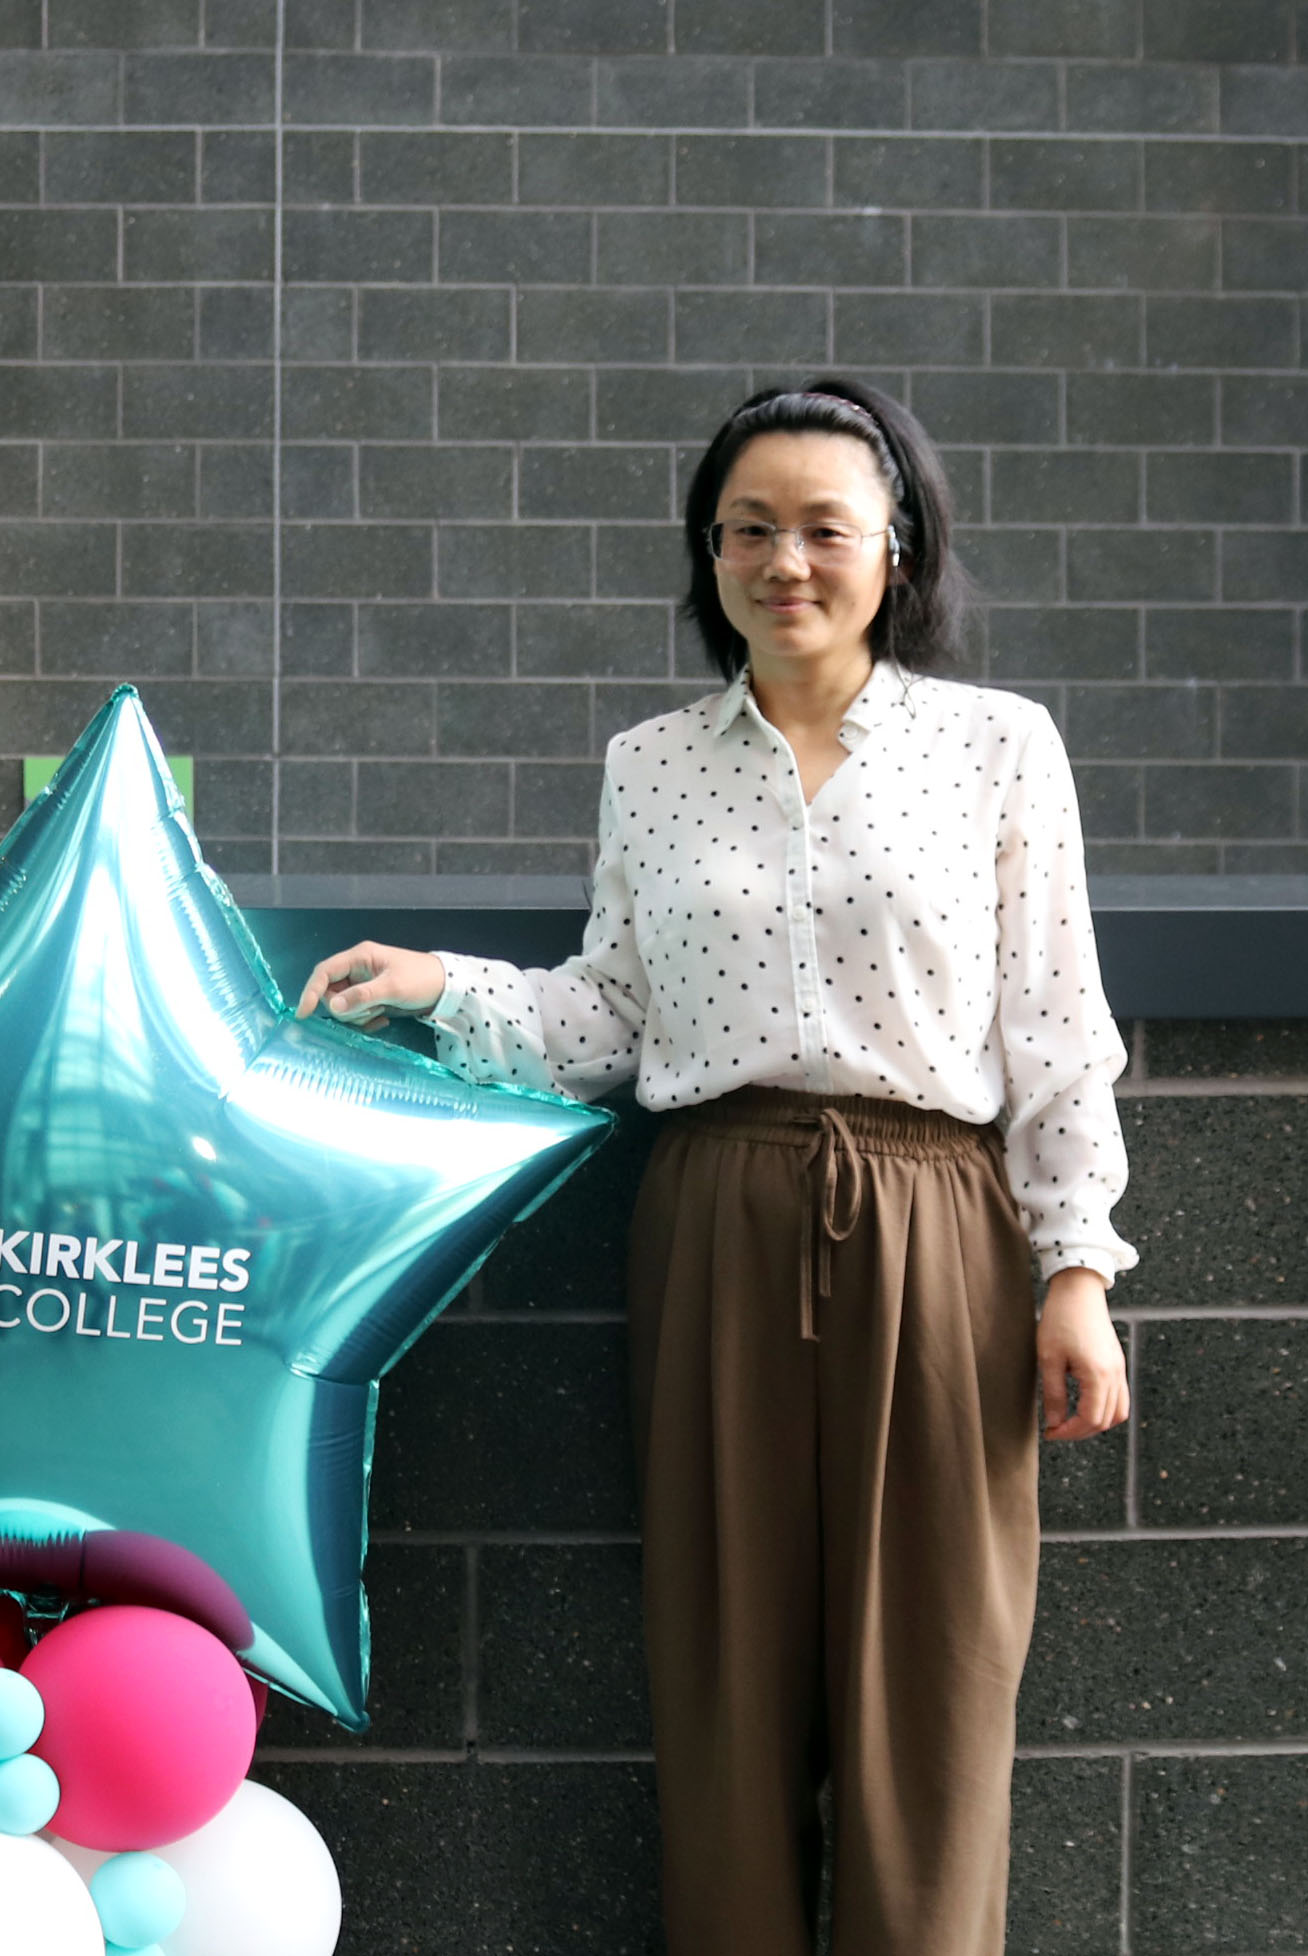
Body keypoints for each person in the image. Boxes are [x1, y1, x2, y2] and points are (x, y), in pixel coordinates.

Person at [297, 378, 1135, 1956]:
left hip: (936, 1219)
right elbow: (613, 1011)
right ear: (711, 554)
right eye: (748, 529)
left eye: (826, 527)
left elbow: (1056, 1023)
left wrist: (1076, 1266)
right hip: (713, 1215)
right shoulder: (652, 765)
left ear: (900, 549)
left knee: (937, 1684)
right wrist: (445, 987)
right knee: (725, 1677)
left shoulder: (996, 750)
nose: (786, 561)